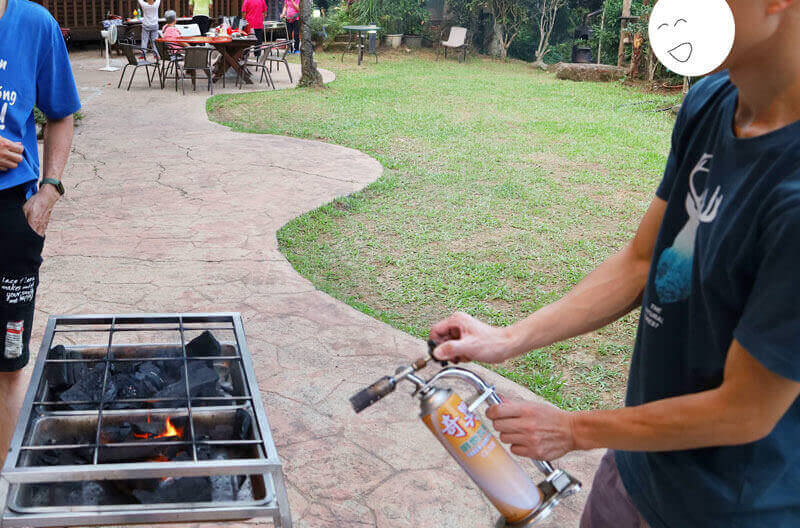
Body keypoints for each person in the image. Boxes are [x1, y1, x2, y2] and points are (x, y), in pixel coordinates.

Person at [430, 2, 800, 527]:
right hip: (635, 470)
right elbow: (642, 261)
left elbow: (745, 410)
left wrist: (576, 430)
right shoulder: (712, 100)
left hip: (729, 508)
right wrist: (507, 339)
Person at [0, 0, 80, 465]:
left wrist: (49, 189)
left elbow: (61, 111)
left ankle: (6, 489)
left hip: (13, 215)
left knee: (9, 361)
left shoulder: (34, 23)